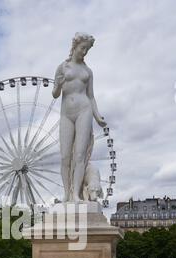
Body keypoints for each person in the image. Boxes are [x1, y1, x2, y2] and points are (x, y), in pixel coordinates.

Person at [52, 32, 106, 202]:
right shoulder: (62, 67)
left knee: (80, 155)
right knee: (65, 156)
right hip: (67, 113)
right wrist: (59, 86)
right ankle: (66, 193)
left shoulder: (88, 71)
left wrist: (97, 116)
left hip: (84, 110)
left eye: (87, 50)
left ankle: (75, 194)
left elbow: (91, 96)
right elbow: (55, 94)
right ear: (75, 46)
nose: (84, 52)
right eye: (83, 48)